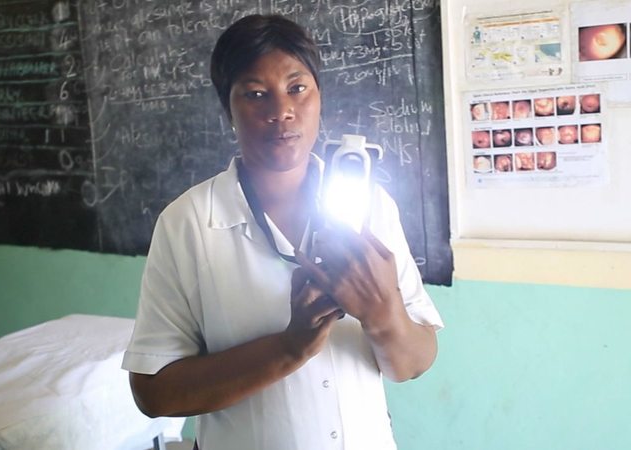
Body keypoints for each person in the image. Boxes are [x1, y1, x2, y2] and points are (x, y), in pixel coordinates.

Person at [122, 14, 443, 450]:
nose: (282, 111)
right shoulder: (189, 223)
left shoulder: (371, 206)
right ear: (227, 110)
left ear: (319, 96)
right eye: (256, 94)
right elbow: (154, 391)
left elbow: (413, 363)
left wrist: (383, 315)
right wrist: (290, 348)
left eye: (297, 88)